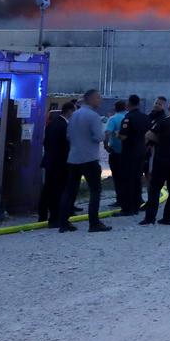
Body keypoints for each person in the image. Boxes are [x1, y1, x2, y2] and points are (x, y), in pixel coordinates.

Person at [59, 89, 112, 233]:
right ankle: (94, 223)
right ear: (92, 99)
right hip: (89, 158)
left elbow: (68, 136)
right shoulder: (93, 116)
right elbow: (99, 137)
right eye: (98, 98)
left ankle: (63, 222)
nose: (100, 100)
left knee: (70, 190)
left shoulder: (74, 115)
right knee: (95, 190)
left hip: (74, 157)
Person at [140, 100, 170, 225]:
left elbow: (148, 135)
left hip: (161, 159)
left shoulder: (163, 122)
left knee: (155, 189)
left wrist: (160, 141)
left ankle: (150, 218)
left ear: (169, 108)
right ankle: (168, 217)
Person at [39, 100, 75, 226]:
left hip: (50, 160)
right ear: (70, 111)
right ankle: (55, 216)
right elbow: (66, 146)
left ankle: (42, 214)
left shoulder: (52, 123)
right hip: (59, 163)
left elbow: (45, 142)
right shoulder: (64, 126)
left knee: (47, 188)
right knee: (57, 190)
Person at [115, 94, 150, 216]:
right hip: (141, 152)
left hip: (129, 153)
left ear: (128, 104)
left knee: (127, 180)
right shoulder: (146, 118)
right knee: (137, 179)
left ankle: (127, 208)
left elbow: (123, 136)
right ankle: (136, 205)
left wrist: (117, 134)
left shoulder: (128, 118)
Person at [105, 99, 128, 208]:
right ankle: (130, 198)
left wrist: (106, 145)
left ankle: (120, 199)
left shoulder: (113, 119)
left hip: (116, 152)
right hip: (129, 152)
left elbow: (107, 132)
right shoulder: (129, 117)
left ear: (115, 108)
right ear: (125, 107)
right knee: (128, 176)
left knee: (117, 177)